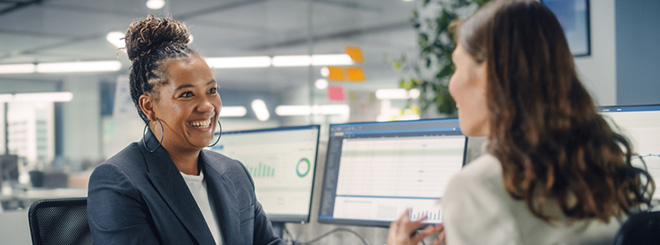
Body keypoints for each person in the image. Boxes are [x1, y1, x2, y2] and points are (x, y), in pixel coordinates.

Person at [387, 0, 655, 244]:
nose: (451, 85)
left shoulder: (477, 188)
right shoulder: (604, 162)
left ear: (488, 76)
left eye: (457, 66)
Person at [87, 15, 282, 245]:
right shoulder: (119, 181)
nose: (207, 105)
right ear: (149, 106)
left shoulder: (233, 172)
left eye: (211, 90)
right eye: (187, 94)